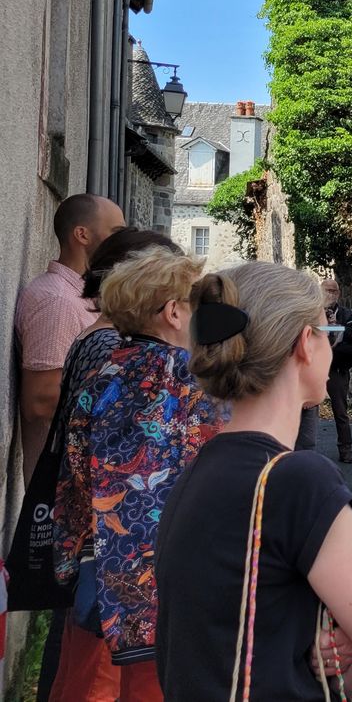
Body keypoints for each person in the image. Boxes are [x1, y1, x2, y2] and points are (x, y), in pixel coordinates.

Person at [156, 262, 352, 699]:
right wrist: (327, 673)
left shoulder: (196, 470)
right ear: (306, 344)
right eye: (329, 335)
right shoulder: (298, 480)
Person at [49, 247, 222, 700]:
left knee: (84, 686)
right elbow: (215, 472)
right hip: (168, 576)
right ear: (173, 311)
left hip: (102, 566)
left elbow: (73, 477)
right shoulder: (188, 378)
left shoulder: (103, 372)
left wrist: (67, 557)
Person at [22, 229, 181, 700]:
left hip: (103, 555)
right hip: (119, 561)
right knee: (95, 680)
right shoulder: (129, 358)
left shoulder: (113, 350)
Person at [16, 193, 125, 483]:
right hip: (61, 482)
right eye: (116, 233)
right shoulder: (57, 301)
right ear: (82, 234)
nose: (122, 243)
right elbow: (40, 402)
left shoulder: (75, 297)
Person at [296, 279, 352, 461]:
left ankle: (346, 450)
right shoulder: (311, 312)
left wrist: (337, 326)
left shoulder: (345, 314)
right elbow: (307, 331)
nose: (330, 294)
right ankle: (302, 451)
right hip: (313, 368)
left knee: (341, 410)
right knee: (306, 408)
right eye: (327, 290)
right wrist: (326, 325)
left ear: (339, 294)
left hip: (336, 367)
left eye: (334, 291)